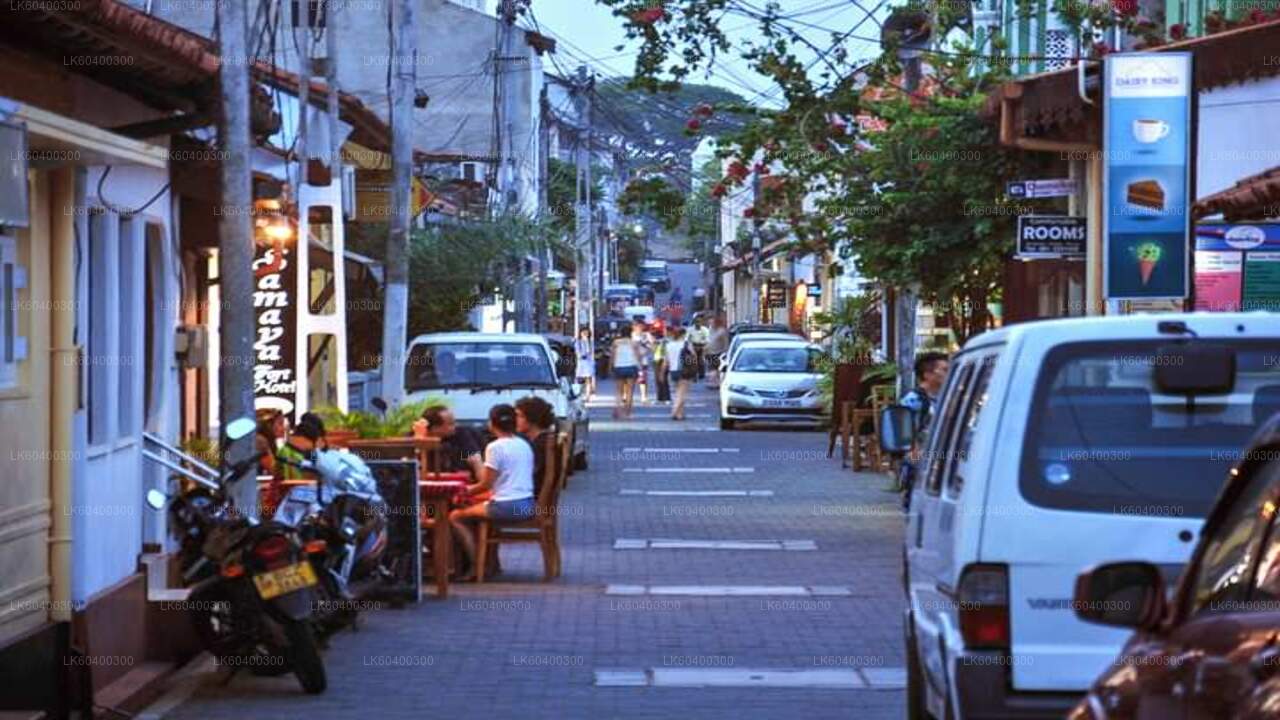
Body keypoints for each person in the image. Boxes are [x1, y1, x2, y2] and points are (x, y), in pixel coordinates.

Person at [447, 405, 535, 580]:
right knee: (473, 511)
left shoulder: (494, 447)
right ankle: (490, 563)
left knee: (456, 516)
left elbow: (486, 484)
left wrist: (464, 491)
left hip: (506, 506)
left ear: (491, 424)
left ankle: (476, 566)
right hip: (527, 504)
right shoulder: (523, 444)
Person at [899, 352, 950, 511]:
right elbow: (904, 432)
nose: (949, 374)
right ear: (927, 374)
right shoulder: (913, 400)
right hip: (921, 465)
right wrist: (914, 455)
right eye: (944, 369)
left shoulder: (947, 396)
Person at [413, 406, 485, 481]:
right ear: (435, 428)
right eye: (451, 424)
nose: (455, 426)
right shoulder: (414, 436)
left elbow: (475, 460)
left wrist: (483, 485)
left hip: (461, 482)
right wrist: (420, 440)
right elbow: (412, 467)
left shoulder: (460, 435)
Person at [515, 396, 556, 499]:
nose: (515, 420)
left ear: (532, 419)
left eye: (519, 416)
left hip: (528, 499)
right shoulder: (543, 439)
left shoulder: (539, 445)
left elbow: (531, 475)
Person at [664, 326, 697, 420]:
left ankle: (680, 414)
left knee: (677, 392)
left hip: (673, 371)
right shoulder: (686, 344)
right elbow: (694, 357)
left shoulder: (669, 345)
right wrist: (694, 368)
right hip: (684, 370)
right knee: (682, 394)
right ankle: (674, 412)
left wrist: (663, 372)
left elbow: (666, 360)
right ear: (683, 335)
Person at [609, 330, 640, 418]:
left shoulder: (616, 343)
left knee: (619, 391)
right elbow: (637, 355)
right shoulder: (634, 343)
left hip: (619, 366)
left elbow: (612, 355)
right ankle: (627, 413)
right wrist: (640, 366)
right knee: (630, 391)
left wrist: (610, 366)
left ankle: (617, 411)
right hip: (631, 366)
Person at [632, 320, 654, 404]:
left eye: (641, 326)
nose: (639, 328)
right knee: (631, 379)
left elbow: (652, 347)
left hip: (643, 360)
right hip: (632, 360)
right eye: (637, 326)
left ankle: (644, 397)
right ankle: (627, 395)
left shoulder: (646, 335)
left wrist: (648, 344)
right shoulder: (631, 335)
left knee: (643, 379)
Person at [705, 313, 729, 389]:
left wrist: (726, 352)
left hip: (719, 353)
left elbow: (726, 343)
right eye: (709, 323)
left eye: (712, 323)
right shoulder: (709, 329)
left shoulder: (722, 331)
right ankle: (715, 383)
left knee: (716, 370)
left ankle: (717, 384)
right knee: (712, 369)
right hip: (709, 352)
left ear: (716, 323)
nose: (711, 324)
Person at [573, 327, 596, 398]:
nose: (585, 334)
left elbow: (590, 351)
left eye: (587, 333)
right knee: (579, 379)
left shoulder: (590, 342)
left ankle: (587, 395)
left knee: (588, 379)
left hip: (588, 362)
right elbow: (578, 353)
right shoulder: (578, 342)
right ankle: (579, 394)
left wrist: (587, 343)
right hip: (581, 363)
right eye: (584, 333)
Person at [653, 326, 672, 404]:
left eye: (667, 331)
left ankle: (667, 398)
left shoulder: (670, 341)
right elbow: (654, 349)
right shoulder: (659, 340)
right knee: (658, 379)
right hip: (657, 360)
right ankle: (659, 398)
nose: (666, 333)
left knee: (664, 379)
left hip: (665, 360)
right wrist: (655, 344)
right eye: (665, 331)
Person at [688, 316, 710, 380]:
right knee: (693, 360)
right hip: (693, 345)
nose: (698, 323)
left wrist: (703, 347)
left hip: (702, 346)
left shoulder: (705, 330)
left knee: (701, 360)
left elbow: (707, 339)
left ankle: (701, 373)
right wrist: (691, 347)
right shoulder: (690, 330)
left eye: (699, 322)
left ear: (702, 322)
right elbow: (687, 339)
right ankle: (694, 374)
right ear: (694, 323)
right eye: (696, 322)